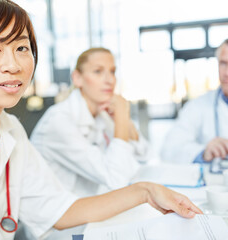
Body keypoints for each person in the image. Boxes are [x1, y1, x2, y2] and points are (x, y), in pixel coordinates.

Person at [0, 1, 201, 240]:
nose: (13, 65)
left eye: (21, 48)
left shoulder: (10, 129)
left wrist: (146, 191)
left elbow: (60, 209)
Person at [31, 47, 151, 198]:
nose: (110, 80)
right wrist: (121, 116)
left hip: (87, 205)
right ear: (77, 78)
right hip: (56, 216)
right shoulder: (59, 120)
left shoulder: (102, 113)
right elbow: (116, 178)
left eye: (112, 72)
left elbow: (142, 156)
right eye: (98, 71)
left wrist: (124, 119)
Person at [161, 35, 228, 164]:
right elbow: (168, 150)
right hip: (213, 183)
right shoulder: (198, 105)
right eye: (223, 63)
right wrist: (203, 152)